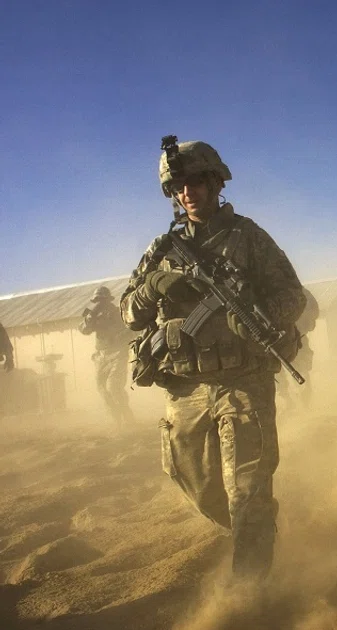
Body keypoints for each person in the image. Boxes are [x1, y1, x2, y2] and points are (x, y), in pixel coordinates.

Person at [120, 139, 305, 580]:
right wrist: (154, 286)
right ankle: (253, 528)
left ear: (216, 182)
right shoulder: (161, 248)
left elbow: (292, 296)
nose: (187, 192)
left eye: (196, 181)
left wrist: (261, 318)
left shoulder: (248, 238)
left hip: (243, 381)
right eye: (178, 186)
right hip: (185, 387)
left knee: (247, 491)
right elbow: (128, 312)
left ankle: (250, 596)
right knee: (199, 487)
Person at [78, 286, 135, 427]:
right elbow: (84, 330)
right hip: (101, 355)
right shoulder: (93, 314)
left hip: (117, 353)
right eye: (97, 300)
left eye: (102, 299)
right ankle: (116, 419)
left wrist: (119, 337)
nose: (100, 303)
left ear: (108, 300)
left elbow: (132, 329)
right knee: (102, 389)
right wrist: (89, 320)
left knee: (113, 387)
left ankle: (126, 414)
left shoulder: (118, 312)